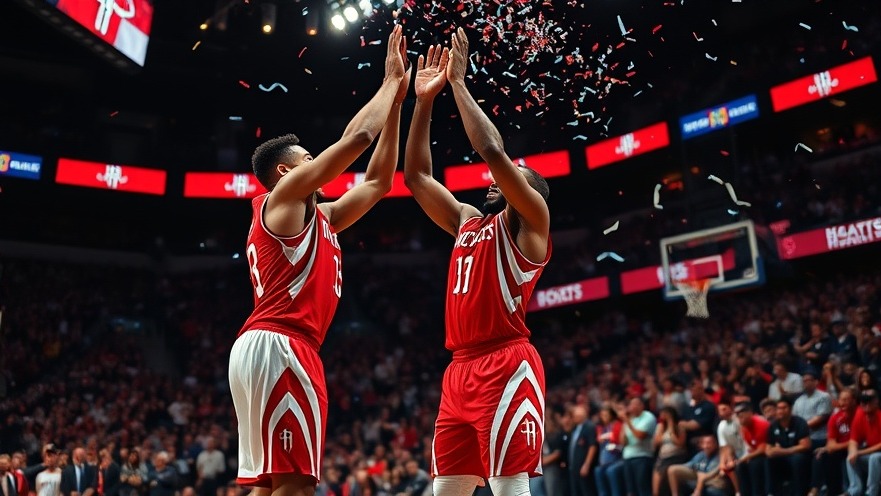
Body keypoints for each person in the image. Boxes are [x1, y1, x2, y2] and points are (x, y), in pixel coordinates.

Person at [227, 24, 410, 496]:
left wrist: (396, 106)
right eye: (309, 158)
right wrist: (389, 81)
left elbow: (378, 183)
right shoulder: (283, 197)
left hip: (271, 345)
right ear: (287, 171)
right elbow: (357, 138)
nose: (318, 164)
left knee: (270, 483)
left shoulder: (321, 216)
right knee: (296, 484)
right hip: (282, 344)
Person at [403, 29, 552, 496]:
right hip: (459, 370)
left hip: (506, 364)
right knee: (447, 491)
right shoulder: (468, 220)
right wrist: (424, 102)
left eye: (510, 179)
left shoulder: (531, 223)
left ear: (526, 192)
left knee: (509, 488)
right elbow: (416, 176)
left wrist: (459, 84)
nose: (493, 183)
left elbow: (492, 152)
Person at [845, 388, 881, 496]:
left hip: (877, 455)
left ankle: (871, 493)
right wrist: (853, 451)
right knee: (851, 457)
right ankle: (854, 491)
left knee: (874, 458)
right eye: (864, 401)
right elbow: (853, 440)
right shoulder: (860, 414)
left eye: (869, 401)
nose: (866, 404)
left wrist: (860, 452)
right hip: (872, 455)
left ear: (876, 402)